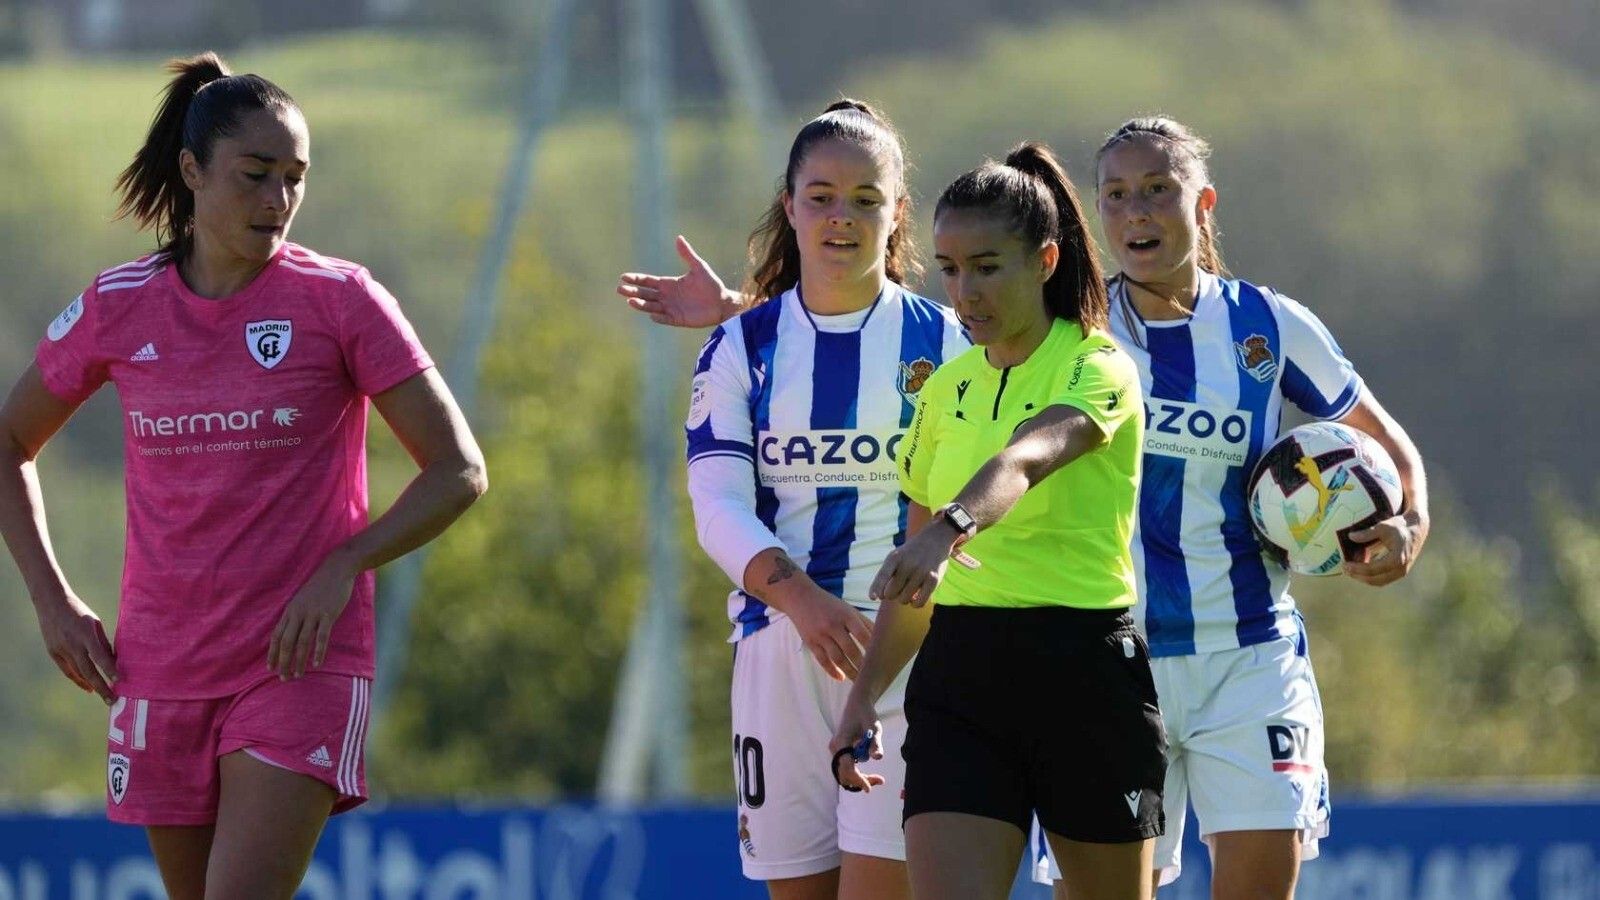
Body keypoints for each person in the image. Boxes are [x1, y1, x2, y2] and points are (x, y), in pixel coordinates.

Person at [0, 53, 487, 899]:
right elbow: (7, 440)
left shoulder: (341, 301)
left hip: (298, 664)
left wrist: (344, 564)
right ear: (192, 172)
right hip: (158, 668)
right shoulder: (118, 306)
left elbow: (458, 470)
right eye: (256, 175)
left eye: (295, 179)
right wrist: (52, 598)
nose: (279, 201)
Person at [1090, 116, 1430, 899]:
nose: (1136, 211)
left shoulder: (1268, 325)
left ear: (1202, 202)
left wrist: (1408, 526)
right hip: (1106, 659)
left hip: (1249, 656)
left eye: (1157, 190)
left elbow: (1385, 442)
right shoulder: (1077, 329)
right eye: (1116, 195)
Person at [828, 142, 1164, 900]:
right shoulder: (943, 389)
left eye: (987, 267)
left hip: (1084, 670)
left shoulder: (1098, 366)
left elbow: (1030, 455)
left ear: (1045, 260)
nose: (964, 291)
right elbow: (914, 581)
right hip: (962, 679)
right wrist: (861, 701)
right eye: (949, 269)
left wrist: (949, 529)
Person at [658, 100, 966, 900]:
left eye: (866, 199)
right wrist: (801, 601)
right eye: (822, 195)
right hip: (775, 652)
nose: (841, 217)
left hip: (906, 657)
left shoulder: (948, 342)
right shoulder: (740, 346)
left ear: (897, 213)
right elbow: (717, 504)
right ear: (789, 205)